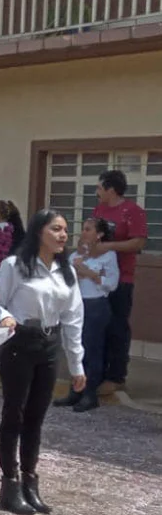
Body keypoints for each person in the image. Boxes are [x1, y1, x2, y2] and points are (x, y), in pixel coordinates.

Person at [0, 210, 85, 515]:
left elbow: (73, 318)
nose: (63, 235)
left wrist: (77, 364)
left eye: (66, 230)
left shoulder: (67, 270)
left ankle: (30, 481)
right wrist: (4, 317)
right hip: (19, 344)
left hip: (49, 346)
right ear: (39, 232)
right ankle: (10, 483)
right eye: (56, 229)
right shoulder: (15, 266)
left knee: (36, 417)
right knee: (14, 413)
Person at [93, 170, 147, 397]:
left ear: (111, 189)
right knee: (99, 326)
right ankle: (98, 372)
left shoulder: (133, 211)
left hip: (121, 279)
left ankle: (116, 377)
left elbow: (137, 242)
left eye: (99, 188)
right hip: (98, 277)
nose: (96, 192)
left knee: (117, 327)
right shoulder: (99, 210)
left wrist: (109, 247)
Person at [55, 217, 118, 413]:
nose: (84, 233)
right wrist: (74, 268)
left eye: (88, 229)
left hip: (95, 305)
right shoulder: (77, 255)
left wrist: (90, 273)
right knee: (75, 348)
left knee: (92, 350)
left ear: (99, 234)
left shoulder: (108, 255)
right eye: (83, 229)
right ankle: (75, 390)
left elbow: (112, 283)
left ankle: (90, 393)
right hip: (76, 304)